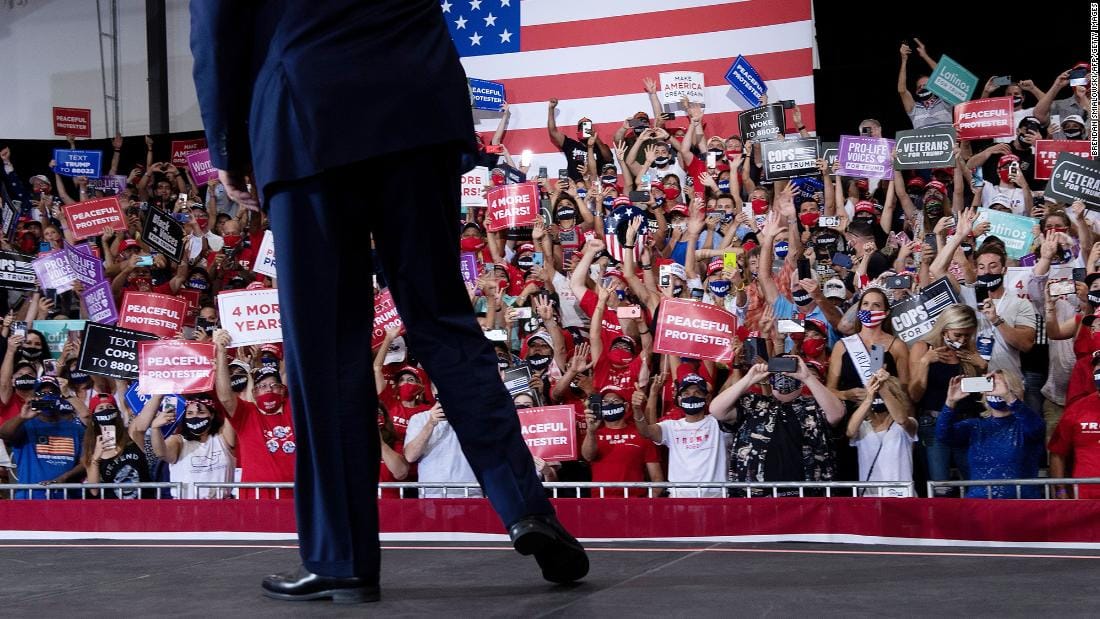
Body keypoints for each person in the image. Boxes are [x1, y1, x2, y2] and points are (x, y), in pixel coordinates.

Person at [190, 0, 586, 602]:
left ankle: (342, 557)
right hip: (416, 101)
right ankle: (528, 508)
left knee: (326, 352)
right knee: (445, 323)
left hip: (306, 113)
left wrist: (225, 145)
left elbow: (217, 25)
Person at [712, 357, 845, 496]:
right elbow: (716, 410)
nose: (784, 375)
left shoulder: (814, 406)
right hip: (757, 497)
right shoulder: (753, 404)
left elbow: (837, 414)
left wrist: (807, 377)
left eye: (790, 369)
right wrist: (749, 378)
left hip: (808, 497)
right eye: (778, 371)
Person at [937, 372, 1045, 498]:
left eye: (1001, 385)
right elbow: (943, 435)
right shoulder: (975, 426)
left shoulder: (1025, 425)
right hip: (979, 504)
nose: (996, 390)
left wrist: (1009, 397)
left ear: (1015, 390)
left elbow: (1036, 428)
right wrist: (950, 403)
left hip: (1019, 505)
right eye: (991, 385)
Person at [146, 393, 237, 500]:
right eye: (190, 413)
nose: (195, 417)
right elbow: (161, 453)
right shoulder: (178, 441)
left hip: (222, 506)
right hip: (186, 507)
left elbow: (230, 406)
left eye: (201, 412)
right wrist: (155, 428)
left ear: (212, 415)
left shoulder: (223, 437)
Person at [846, 371, 917, 497]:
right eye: (876, 393)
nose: (878, 397)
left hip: (902, 495)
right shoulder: (863, 426)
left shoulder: (906, 425)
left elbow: (902, 419)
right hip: (870, 496)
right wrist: (868, 399)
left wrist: (883, 387)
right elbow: (850, 432)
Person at [403, 402, 481, 499]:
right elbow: (410, 456)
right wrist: (430, 423)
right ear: (434, 394)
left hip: (471, 494)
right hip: (432, 496)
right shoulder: (419, 419)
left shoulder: (477, 418)